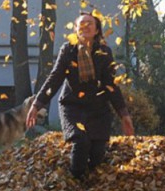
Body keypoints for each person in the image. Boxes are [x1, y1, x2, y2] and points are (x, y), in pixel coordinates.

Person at [26, 12, 134, 181]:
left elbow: (111, 85)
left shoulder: (104, 52)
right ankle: (76, 179)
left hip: (98, 108)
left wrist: (124, 115)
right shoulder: (68, 50)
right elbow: (55, 79)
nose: (85, 26)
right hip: (73, 106)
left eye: (89, 23)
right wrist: (36, 105)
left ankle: (92, 181)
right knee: (82, 141)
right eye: (81, 24)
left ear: (97, 30)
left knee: (97, 152)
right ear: (75, 30)